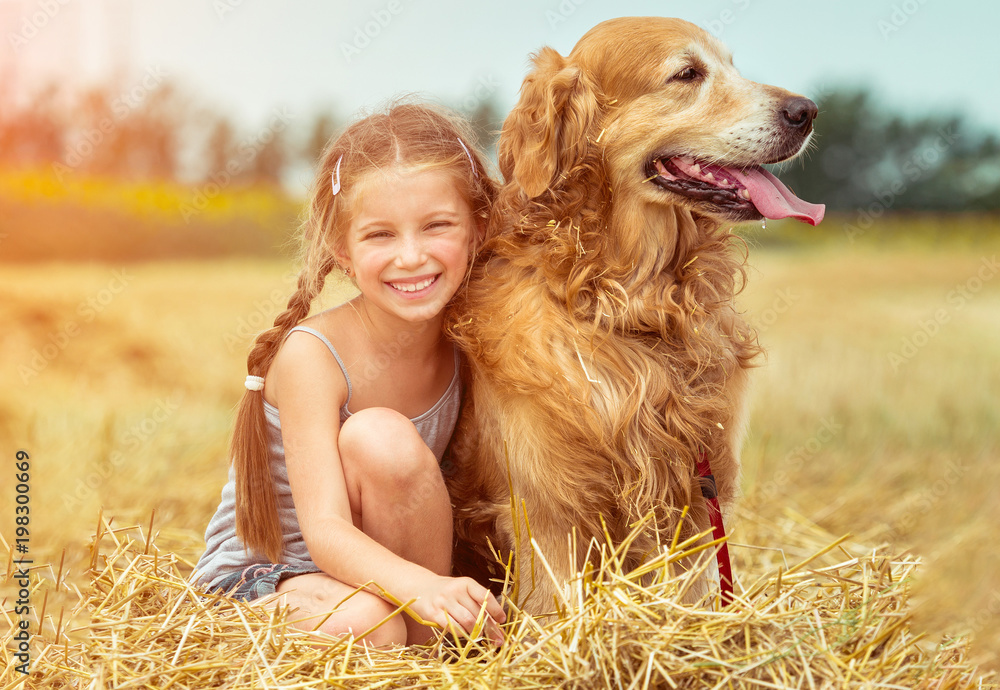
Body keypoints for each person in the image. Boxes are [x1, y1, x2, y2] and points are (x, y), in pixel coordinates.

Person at [192, 101, 505, 648]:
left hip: (384, 581)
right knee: (368, 623)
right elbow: (326, 533)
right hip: (268, 579)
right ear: (342, 250)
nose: (411, 256)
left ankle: (428, 655)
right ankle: (413, 641)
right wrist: (426, 587)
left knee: (383, 452)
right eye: (380, 235)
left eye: (436, 226)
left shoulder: (470, 343)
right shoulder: (311, 356)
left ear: (478, 229)